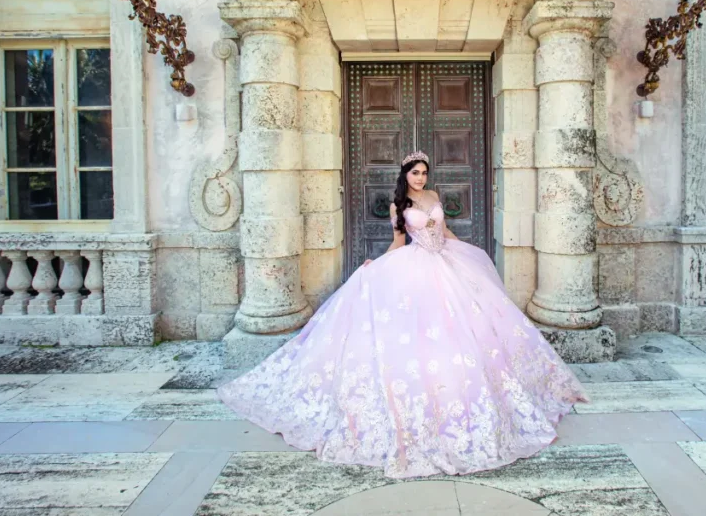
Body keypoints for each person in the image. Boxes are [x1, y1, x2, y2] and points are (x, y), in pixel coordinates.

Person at [217, 150, 588, 478]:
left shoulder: (433, 196)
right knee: (418, 334)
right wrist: (373, 266)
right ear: (405, 176)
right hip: (414, 268)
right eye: (415, 173)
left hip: (448, 263)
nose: (421, 178)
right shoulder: (399, 206)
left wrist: (469, 252)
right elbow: (399, 243)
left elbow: (447, 230)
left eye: (424, 172)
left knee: (467, 331)